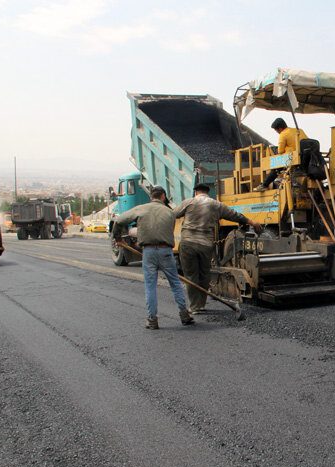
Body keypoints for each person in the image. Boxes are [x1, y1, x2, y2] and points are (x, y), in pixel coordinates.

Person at [174, 183, 262, 314]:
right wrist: (252, 222)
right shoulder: (216, 205)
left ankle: (194, 307)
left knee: (191, 275)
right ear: (207, 192)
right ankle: (201, 305)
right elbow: (235, 215)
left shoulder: (188, 202)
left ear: (196, 192)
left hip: (188, 244)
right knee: (204, 274)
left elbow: (172, 215)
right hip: (205, 244)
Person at [112, 186, 192, 329]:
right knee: (175, 284)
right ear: (163, 196)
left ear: (151, 197)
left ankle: (152, 320)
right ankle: (184, 315)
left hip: (148, 251)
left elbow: (119, 221)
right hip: (166, 251)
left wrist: (118, 238)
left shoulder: (141, 209)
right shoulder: (170, 212)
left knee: (150, 286)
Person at [253, 118, 308, 192]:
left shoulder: (283, 134)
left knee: (276, 167)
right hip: (305, 158)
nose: (277, 132)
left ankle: (264, 185)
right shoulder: (299, 130)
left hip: (293, 159)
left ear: (280, 128)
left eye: (276, 130)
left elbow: (280, 151)